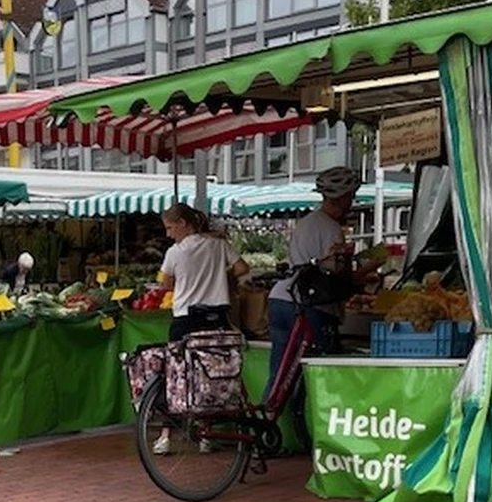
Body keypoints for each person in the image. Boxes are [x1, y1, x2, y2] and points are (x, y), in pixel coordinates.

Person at [265, 167, 382, 392]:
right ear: (343, 197)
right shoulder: (332, 229)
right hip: (309, 306)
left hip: (280, 299)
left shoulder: (306, 223)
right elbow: (335, 275)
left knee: (279, 375)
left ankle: (270, 412)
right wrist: (369, 268)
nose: (352, 202)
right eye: (352, 196)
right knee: (315, 378)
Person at [153, 203, 249, 455]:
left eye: (170, 227)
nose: (168, 234)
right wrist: (221, 276)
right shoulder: (218, 245)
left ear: (183, 223)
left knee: (176, 375)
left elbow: (164, 285)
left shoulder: (175, 252)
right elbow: (243, 268)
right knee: (213, 375)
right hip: (216, 319)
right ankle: (208, 432)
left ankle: (165, 436)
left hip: (185, 320)